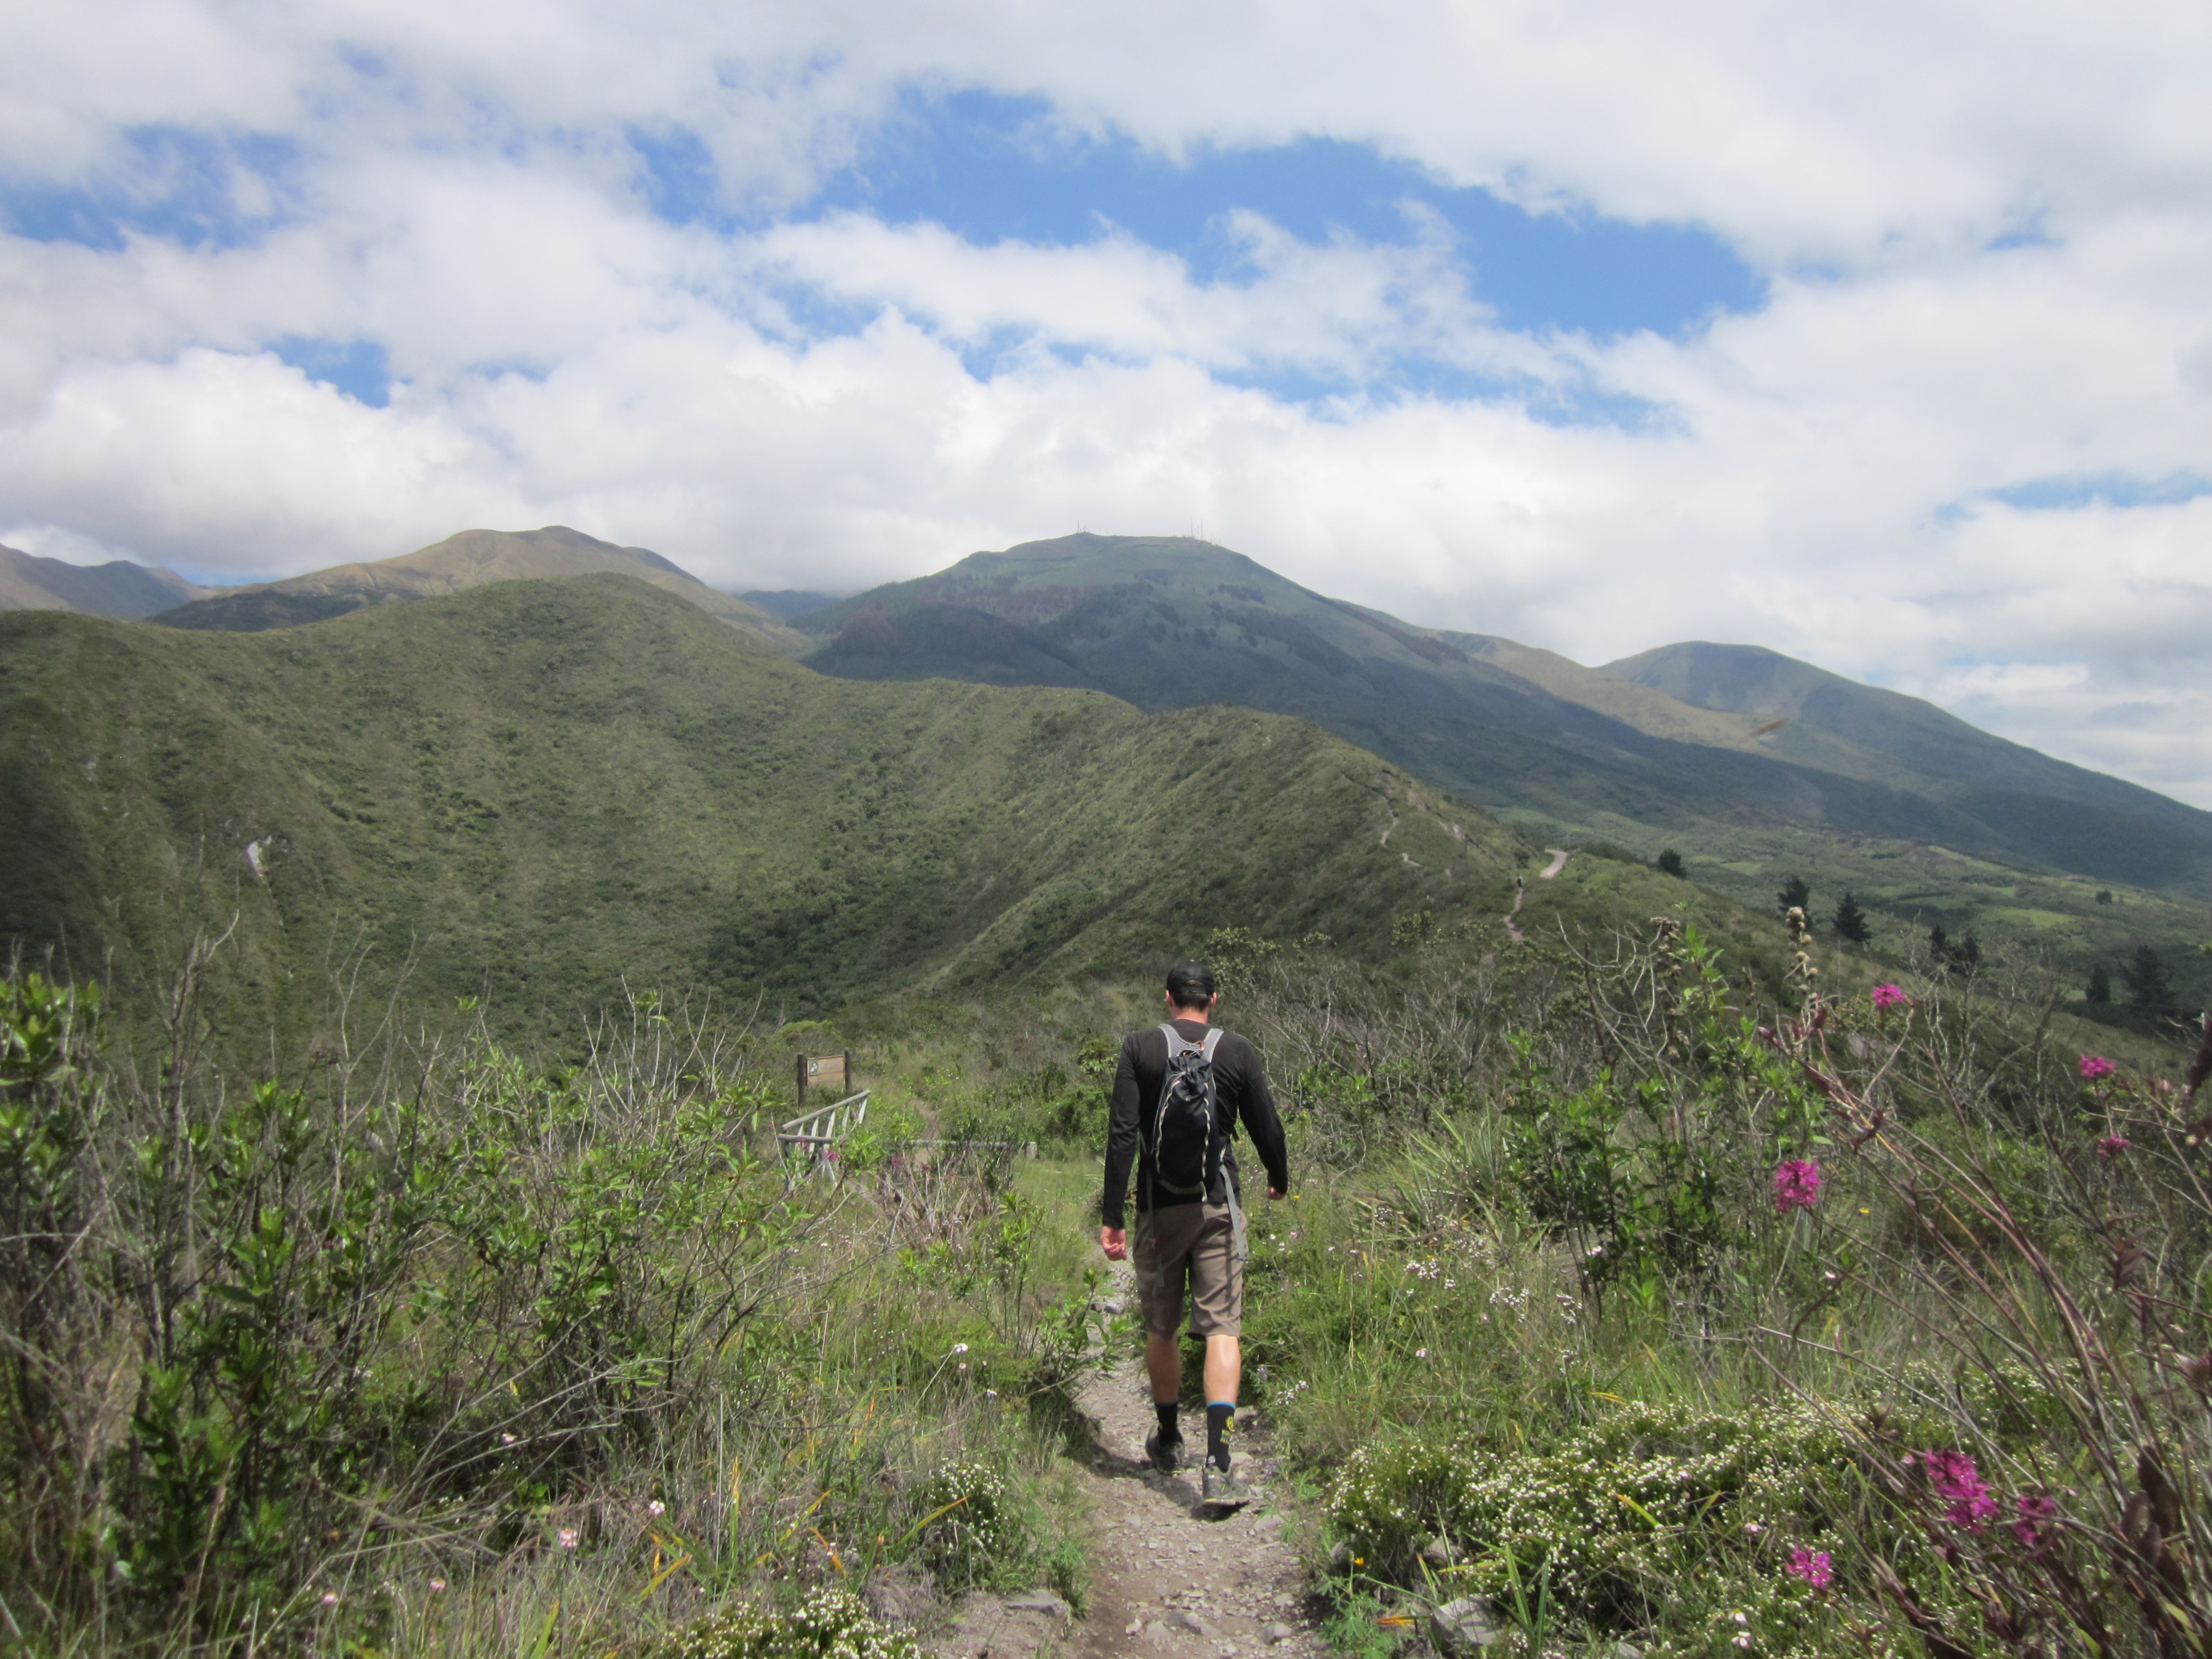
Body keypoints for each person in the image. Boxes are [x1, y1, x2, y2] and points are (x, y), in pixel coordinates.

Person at [1099, 958, 1289, 1507]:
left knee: (1161, 1328)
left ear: (1168, 998)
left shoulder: (1139, 1048)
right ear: (1213, 999)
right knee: (1222, 1329)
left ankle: (1168, 1439)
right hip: (1217, 1208)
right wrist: (1278, 1177)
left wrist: (1113, 1217)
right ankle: (1220, 1464)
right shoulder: (1236, 1051)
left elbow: (1122, 1135)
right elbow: (1266, 1126)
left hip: (1158, 1210)